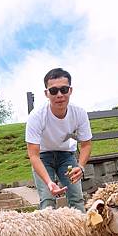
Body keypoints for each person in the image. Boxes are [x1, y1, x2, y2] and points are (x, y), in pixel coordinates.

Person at [26, 68, 92, 213]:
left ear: (70, 90)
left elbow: (86, 144)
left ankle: (81, 234)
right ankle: (48, 235)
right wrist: (49, 183)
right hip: (43, 157)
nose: (60, 95)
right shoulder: (36, 116)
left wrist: (80, 167)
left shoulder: (79, 113)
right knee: (47, 199)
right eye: (54, 91)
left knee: (77, 198)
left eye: (64, 89)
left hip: (67, 156)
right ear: (46, 93)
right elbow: (33, 155)